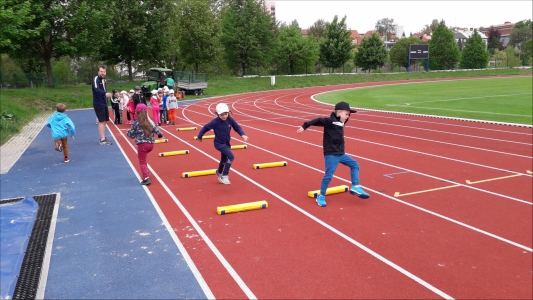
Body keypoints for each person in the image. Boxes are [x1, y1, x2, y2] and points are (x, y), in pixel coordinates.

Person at [297, 101, 370, 207]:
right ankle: (321, 196)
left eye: (349, 115)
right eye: (346, 114)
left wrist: (348, 114)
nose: (348, 116)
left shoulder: (341, 122)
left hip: (341, 153)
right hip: (331, 154)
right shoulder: (330, 121)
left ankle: (355, 186)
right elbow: (317, 120)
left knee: (355, 165)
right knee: (328, 175)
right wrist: (305, 126)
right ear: (339, 112)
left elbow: (345, 118)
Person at [197, 103, 248, 185]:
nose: (224, 116)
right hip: (219, 144)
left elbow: (237, 127)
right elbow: (206, 127)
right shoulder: (215, 122)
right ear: (217, 114)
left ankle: (219, 172)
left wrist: (243, 134)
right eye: (221, 115)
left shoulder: (230, 120)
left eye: (226, 114)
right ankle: (225, 175)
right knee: (231, 156)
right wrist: (200, 136)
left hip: (226, 143)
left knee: (224, 160)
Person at [127, 104, 163, 186]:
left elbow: (131, 135)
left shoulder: (136, 124)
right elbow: (158, 131)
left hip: (142, 145)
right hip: (151, 145)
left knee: (142, 161)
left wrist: (128, 131)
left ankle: (146, 178)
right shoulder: (150, 122)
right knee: (144, 159)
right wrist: (160, 135)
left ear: (136, 112)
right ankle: (146, 171)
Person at [92, 65, 113, 145]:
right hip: (98, 103)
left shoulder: (104, 80)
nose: (103, 73)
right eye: (101, 71)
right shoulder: (96, 79)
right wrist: (105, 93)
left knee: (104, 121)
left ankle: (103, 137)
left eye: (104, 71)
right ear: (98, 72)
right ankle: (102, 139)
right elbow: (96, 89)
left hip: (104, 103)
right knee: (101, 121)